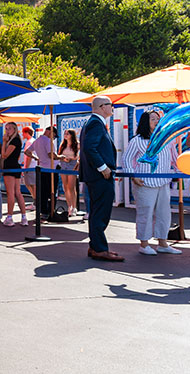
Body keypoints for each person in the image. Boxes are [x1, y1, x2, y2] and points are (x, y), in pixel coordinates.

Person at [123, 110, 182, 256]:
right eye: (153, 119)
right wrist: (133, 176)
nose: (156, 121)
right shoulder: (137, 140)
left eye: (158, 119)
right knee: (145, 213)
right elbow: (126, 159)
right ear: (145, 122)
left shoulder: (166, 139)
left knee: (164, 213)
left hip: (163, 181)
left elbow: (175, 158)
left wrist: (180, 170)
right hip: (144, 182)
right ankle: (144, 244)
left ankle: (163, 243)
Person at [80, 96, 124, 261]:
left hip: (95, 175)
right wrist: (103, 167)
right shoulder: (95, 123)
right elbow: (89, 148)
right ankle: (99, 248)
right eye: (111, 105)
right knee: (101, 213)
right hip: (99, 176)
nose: (112, 108)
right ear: (102, 107)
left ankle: (96, 246)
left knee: (97, 212)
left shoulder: (93, 122)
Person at [2, 122, 29, 227]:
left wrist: (4, 142)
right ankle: (23, 217)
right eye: (6, 128)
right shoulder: (14, 140)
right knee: (17, 192)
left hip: (10, 167)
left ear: (14, 129)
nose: (7, 131)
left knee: (12, 193)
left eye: (9, 128)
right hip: (14, 167)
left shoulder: (15, 140)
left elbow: (4, 155)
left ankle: (10, 217)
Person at [26, 126, 56, 218]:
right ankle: (50, 211)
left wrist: (37, 158)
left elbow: (27, 152)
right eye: (54, 135)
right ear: (50, 132)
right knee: (51, 191)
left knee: (43, 192)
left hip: (42, 168)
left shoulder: (37, 141)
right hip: (50, 169)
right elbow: (50, 154)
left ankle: (44, 211)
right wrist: (60, 157)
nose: (53, 138)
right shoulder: (47, 141)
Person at [57, 129, 81, 216]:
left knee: (71, 187)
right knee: (65, 187)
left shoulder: (77, 144)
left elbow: (79, 156)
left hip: (72, 166)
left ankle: (74, 207)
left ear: (72, 135)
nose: (66, 135)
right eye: (65, 133)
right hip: (63, 165)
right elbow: (59, 155)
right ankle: (69, 206)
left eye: (68, 133)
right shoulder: (62, 145)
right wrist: (62, 158)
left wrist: (73, 160)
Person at [21, 126, 37, 211]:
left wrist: (26, 167)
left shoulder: (29, 142)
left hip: (30, 167)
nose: (22, 134)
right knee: (31, 184)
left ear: (27, 133)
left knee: (31, 184)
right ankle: (35, 201)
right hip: (32, 166)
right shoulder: (32, 141)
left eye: (23, 132)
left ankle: (36, 202)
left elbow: (29, 155)